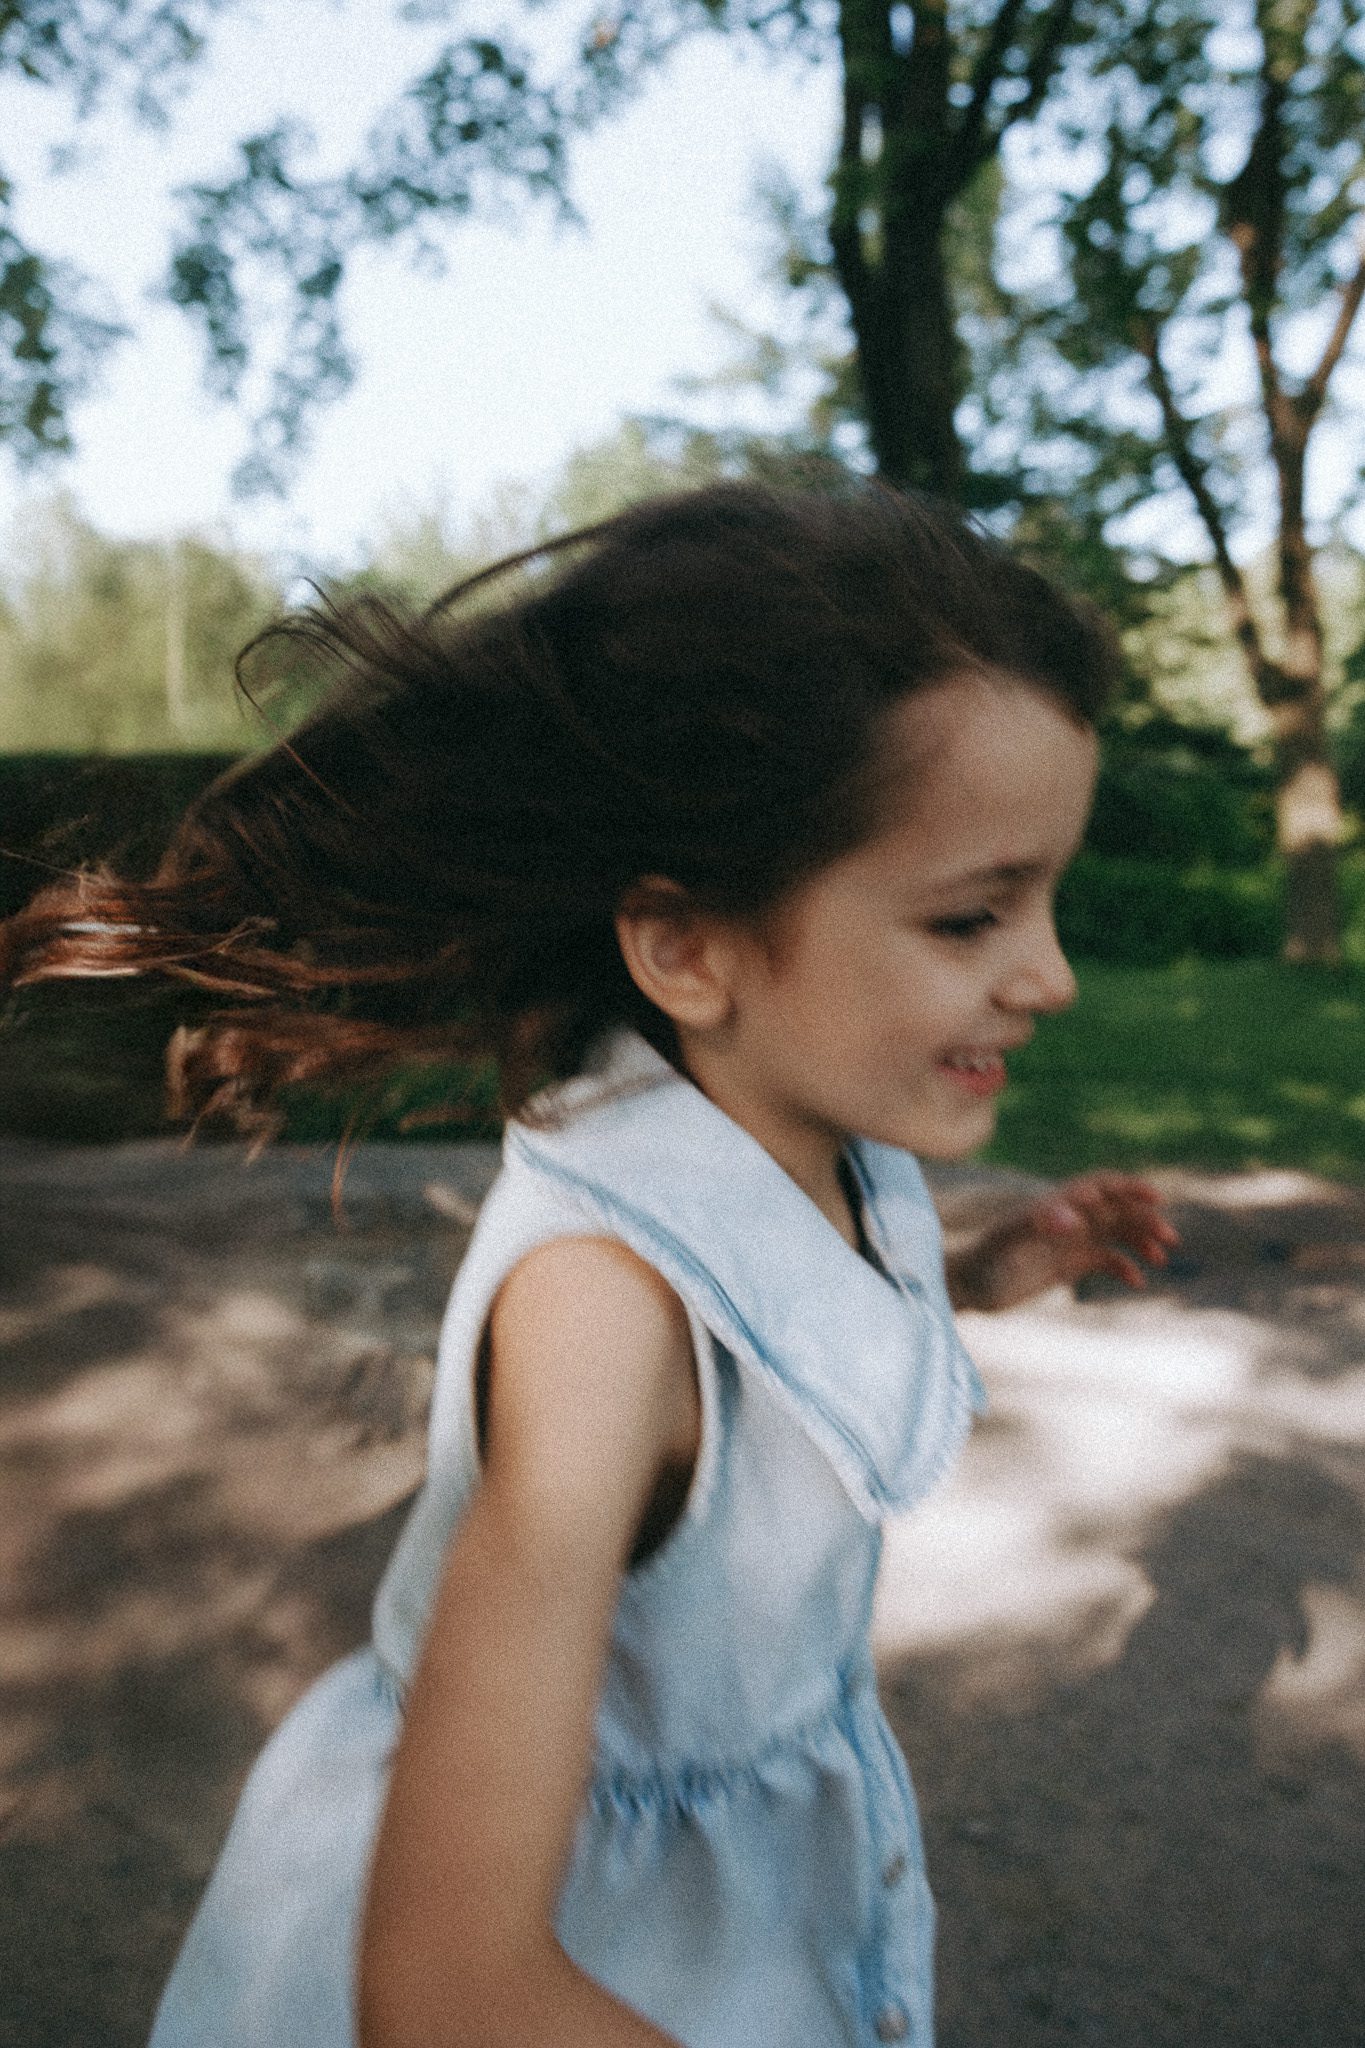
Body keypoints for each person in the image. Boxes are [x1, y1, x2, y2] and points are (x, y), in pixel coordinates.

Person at [1, 481, 1177, 2048]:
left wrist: (985, 1270)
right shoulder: (596, 1324)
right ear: (687, 948)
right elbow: (448, 1989)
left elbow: (784, 1333)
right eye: (971, 917)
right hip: (593, 1957)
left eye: (1045, 899)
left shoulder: (799, 1130)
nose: (1048, 975)